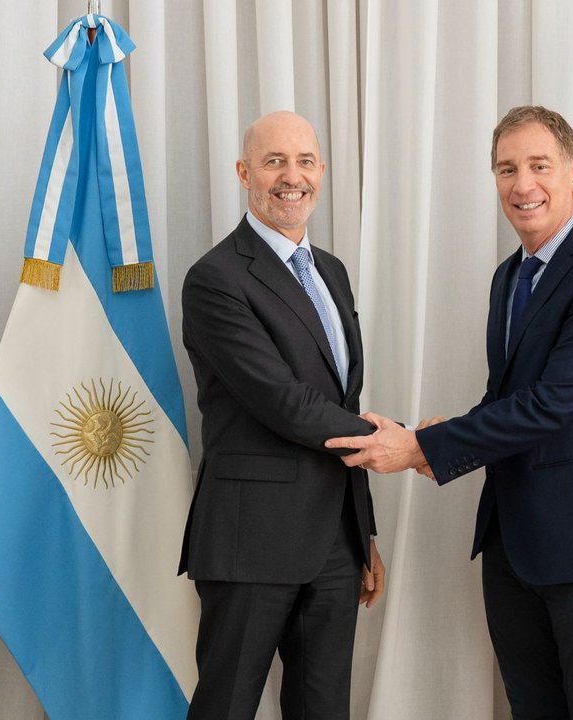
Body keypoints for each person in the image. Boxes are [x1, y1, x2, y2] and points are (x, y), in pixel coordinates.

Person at [326, 105, 573, 719]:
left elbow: (551, 404)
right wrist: (442, 438)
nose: (522, 184)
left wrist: (422, 448)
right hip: (515, 544)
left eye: (540, 165)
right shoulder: (509, 277)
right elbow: (512, 397)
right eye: (507, 169)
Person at [179, 110, 385, 720]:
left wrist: (363, 532)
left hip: (335, 544)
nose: (292, 177)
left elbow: (339, 400)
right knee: (225, 707)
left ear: (321, 170)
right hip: (251, 541)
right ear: (245, 173)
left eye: (304, 162)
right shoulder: (214, 279)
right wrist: (392, 440)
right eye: (274, 162)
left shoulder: (332, 272)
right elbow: (284, 402)